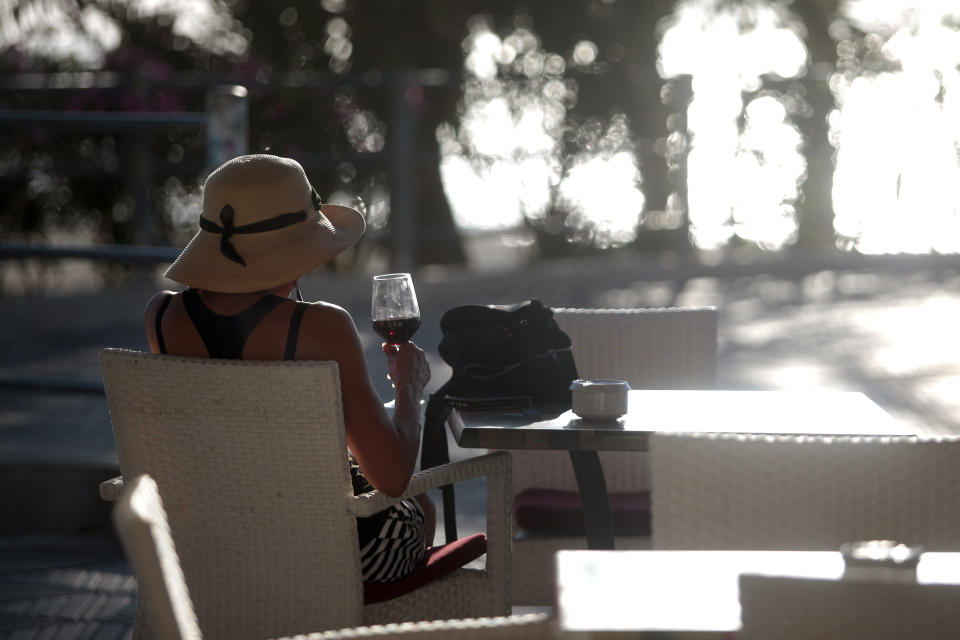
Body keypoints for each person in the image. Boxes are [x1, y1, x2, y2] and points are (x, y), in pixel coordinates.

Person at [144, 153, 434, 583]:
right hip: (328, 558)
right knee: (421, 505)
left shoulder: (161, 317)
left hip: (212, 552)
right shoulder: (321, 326)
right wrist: (409, 389)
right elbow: (391, 477)